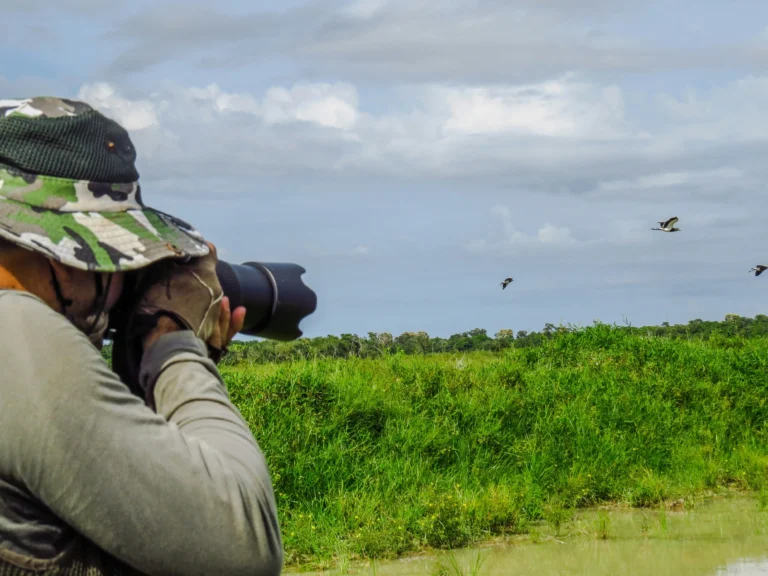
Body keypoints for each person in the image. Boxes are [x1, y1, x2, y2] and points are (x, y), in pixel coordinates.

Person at [0, 97, 283, 575]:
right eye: (108, 262)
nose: (116, 284)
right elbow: (242, 550)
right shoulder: (15, 330)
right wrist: (173, 345)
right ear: (55, 257)